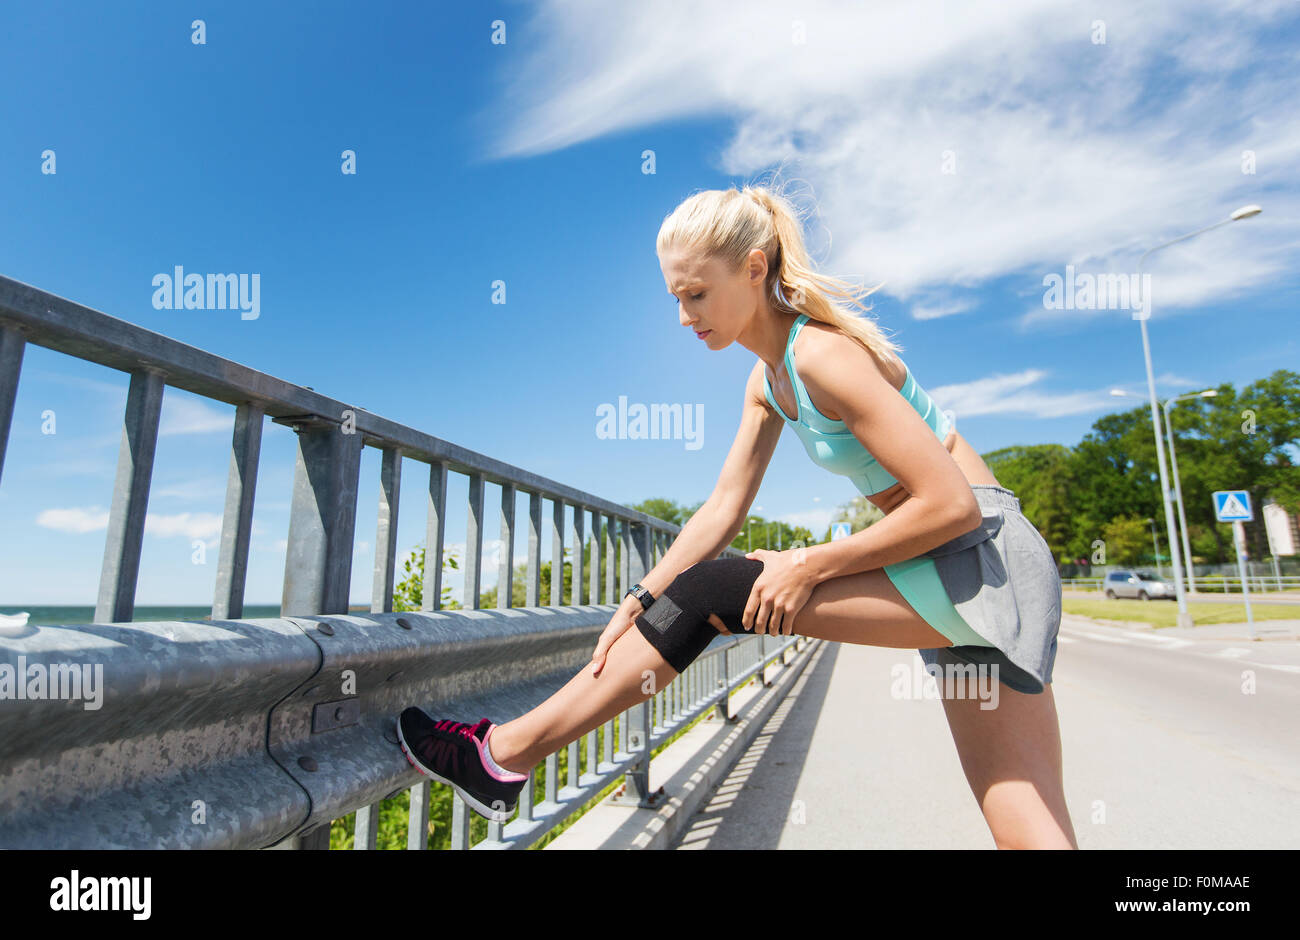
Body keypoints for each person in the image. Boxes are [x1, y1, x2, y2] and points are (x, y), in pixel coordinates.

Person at [397, 181, 1076, 849]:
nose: (685, 317)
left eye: (697, 294)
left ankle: (503, 755)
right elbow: (722, 509)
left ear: (755, 270)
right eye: (675, 298)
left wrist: (807, 564)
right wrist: (639, 599)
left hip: (982, 556)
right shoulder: (769, 381)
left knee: (713, 593)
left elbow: (951, 504)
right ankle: (504, 756)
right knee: (1027, 828)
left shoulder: (821, 356)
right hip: (954, 568)